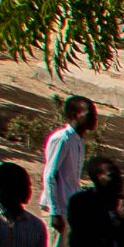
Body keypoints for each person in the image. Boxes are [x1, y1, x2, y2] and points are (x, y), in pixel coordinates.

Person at [36, 96, 92, 225]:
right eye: (89, 114)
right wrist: (55, 212)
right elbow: (50, 175)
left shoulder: (79, 142)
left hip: (69, 208)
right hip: (56, 210)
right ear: (74, 115)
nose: (94, 118)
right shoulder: (62, 139)